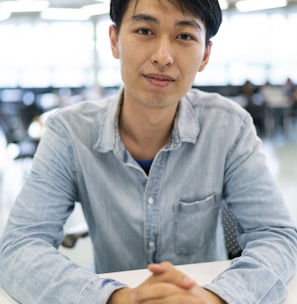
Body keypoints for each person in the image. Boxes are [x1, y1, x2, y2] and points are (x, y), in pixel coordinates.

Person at [0, 0, 296, 303]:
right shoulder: (70, 133)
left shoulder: (229, 127)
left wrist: (216, 298)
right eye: (144, 30)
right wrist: (116, 298)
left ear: (205, 54)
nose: (163, 56)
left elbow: (277, 236)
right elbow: (20, 246)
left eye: (184, 36)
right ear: (115, 41)